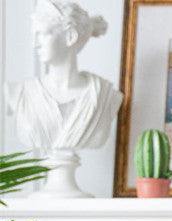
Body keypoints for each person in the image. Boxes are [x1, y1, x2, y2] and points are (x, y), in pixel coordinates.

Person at [5, 1, 122, 195]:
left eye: (43, 33)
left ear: (70, 36)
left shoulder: (104, 95)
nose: (35, 43)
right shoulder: (18, 92)